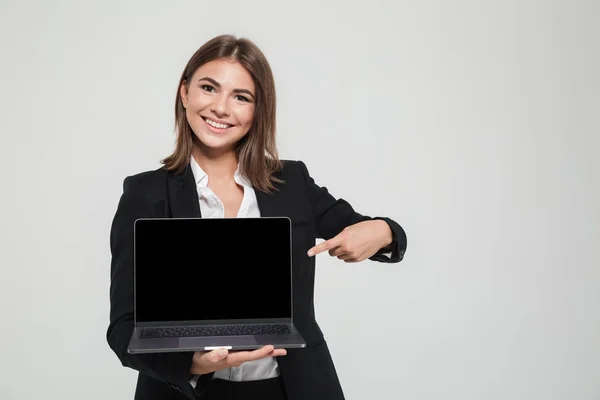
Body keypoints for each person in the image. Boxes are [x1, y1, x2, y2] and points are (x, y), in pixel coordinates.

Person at [107, 34, 407, 400]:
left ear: (257, 110)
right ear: (185, 93)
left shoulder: (291, 182)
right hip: (188, 392)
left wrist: (382, 231)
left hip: (292, 388)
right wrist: (192, 363)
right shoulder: (145, 194)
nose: (221, 108)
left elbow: (375, 231)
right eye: (208, 88)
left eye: (241, 97)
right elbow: (122, 328)